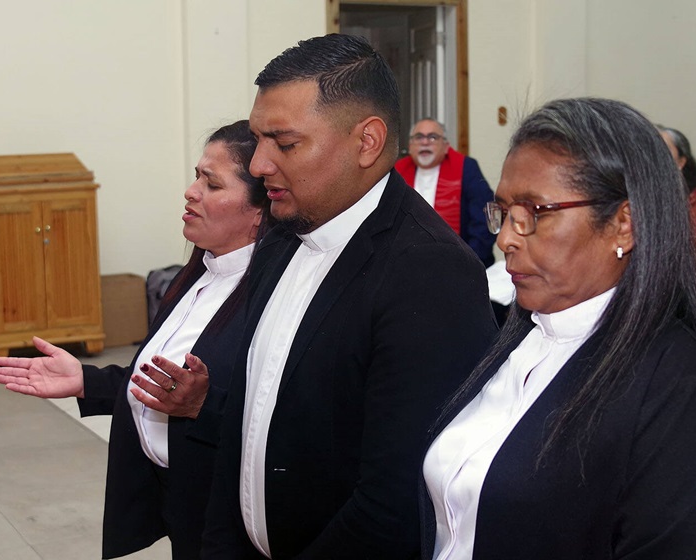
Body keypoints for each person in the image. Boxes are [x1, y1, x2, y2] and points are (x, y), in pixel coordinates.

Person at [190, 34, 497, 559]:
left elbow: (395, 502)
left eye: (285, 144)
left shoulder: (431, 273)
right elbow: (247, 424)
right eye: (259, 139)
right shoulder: (284, 233)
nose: (260, 165)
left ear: (367, 142)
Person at [421, 98, 696, 559]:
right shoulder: (523, 334)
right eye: (503, 213)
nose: (505, 238)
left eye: (534, 213)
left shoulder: (686, 395)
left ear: (624, 224)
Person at [0, 120, 270, 559]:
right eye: (197, 175)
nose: (191, 191)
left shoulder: (271, 298)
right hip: (181, 500)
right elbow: (165, 382)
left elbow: (282, 419)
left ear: (259, 210)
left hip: (228, 515)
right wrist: (85, 380)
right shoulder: (197, 277)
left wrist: (203, 408)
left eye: (211, 183)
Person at [394, 118, 496, 266]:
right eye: (419, 137)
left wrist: (468, 263)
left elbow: (484, 221)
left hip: (461, 263)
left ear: (446, 146)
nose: (425, 142)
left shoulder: (466, 168)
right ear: (410, 146)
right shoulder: (397, 172)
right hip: (408, 263)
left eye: (433, 137)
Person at [658, 125, 696, 260]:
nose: (655, 155)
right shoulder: (633, 191)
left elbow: (691, 249)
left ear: (681, 162)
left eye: (663, 149)